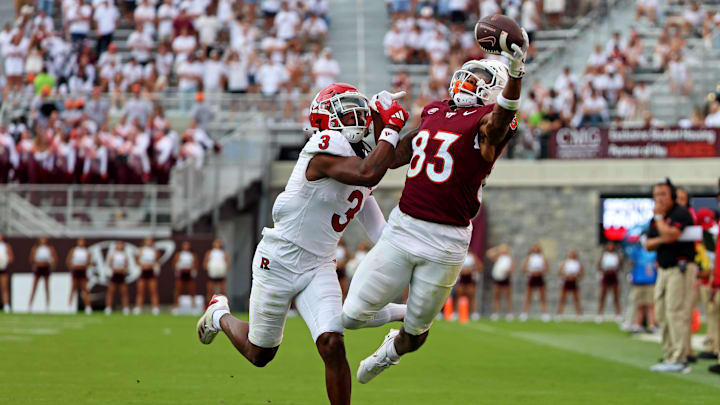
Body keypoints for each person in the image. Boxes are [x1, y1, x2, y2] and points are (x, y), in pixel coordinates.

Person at [195, 83, 410, 405]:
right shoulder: (324, 146)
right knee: (259, 353)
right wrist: (390, 127)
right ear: (324, 120)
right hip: (278, 260)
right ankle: (219, 315)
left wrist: (411, 261)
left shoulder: (363, 160)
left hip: (319, 265)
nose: (354, 117)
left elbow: (380, 229)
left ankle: (405, 314)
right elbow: (369, 171)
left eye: (358, 111)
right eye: (345, 112)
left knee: (331, 343)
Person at [341, 29, 529, 384]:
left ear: (495, 90)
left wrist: (516, 70)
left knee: (414, 336)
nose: (468, 79)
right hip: (404, 227)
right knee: (349, 316)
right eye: (469, 72)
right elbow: (396, 157)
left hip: (446, 240)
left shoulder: (489, 122)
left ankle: (390, 352)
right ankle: (401, 315)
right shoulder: (434, 110)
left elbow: (501, 118)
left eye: (481, 77)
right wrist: (384, 120)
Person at [645, 179, 695, 373]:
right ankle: (668, 355)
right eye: (656, 195)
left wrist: (660, 223)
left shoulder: (679, 213)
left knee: (676, 312)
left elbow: (671, 236)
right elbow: (649, 244)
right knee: (662, 313)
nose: (659, 198)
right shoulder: (657, 217)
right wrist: (661, 234)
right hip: (663, 270)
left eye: (663, 194)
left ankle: (680, 357)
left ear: (672, 196)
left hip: (680, 268)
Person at [520, 243, 549, 321]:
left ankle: (544, 313)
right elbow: (523, 268)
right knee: (528, 296)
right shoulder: (529, 257)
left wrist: (540, 272)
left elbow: (547, 269)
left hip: (540, 277)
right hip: (532, 277)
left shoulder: (542, 258)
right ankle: (525, 313)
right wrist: (531, 271)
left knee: (542, 296)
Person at [28, 237, 57, 311]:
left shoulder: (50, 248)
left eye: (44, 239)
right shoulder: (35, 248)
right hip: (38, 268)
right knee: (34, 287)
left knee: (47, 287)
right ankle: (30, 305)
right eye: (42, 239)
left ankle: (47, 305)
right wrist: (36, 263)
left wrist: (51, 263)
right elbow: (31, 259)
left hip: (46, 268)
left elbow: (54, 259)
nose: (43, 240)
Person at [487, 244, 514, 321]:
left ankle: (509, 313)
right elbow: (489, 253)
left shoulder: (509, 258)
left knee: (508, 297)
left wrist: (508, 272)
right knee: (496, 296)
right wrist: (498, 249)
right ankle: (496, 313)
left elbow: (512, 269)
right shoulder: (498, 257)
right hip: (497, 279)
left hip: (506, 278)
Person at [597, 241, 623, 321]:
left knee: (616, 296)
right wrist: (604, 271)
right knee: (602, 295)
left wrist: (615, 270)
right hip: (606, 275)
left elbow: (620, 266)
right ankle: (600, 314)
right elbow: (599, 266)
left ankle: (618, 313)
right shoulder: (604, 255)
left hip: (614, 276)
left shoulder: (616, 256)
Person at [455, 250, 483, 320]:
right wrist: (462, 271)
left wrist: (471, 270)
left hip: (470, 278)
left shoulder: (473, 257)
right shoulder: (460, 256)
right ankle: (456, 312)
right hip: (461, 278)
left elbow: (480, 267)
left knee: (471, 296)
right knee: (459, 295)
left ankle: (473, 313)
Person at [66, 238, 92, 314]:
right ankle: (70, 306)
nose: (81, 242)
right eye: (80, 241)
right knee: (73, 288)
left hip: (83, 271)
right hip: (75, 271)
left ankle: (88, 307)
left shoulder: (87, 251)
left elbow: (89, 262)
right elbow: (68, 261)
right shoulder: (74, 250)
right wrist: (74, 266)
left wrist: (84, 266)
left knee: (85, 289)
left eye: (83, 241)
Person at [135, 237, 160, 315]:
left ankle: (155, 308)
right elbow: (137, 261)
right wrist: (143, 265)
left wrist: (151, 265)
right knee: (140, 291)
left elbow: (157, 261)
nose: (148, 242)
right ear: (144, 242)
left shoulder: (155, 251)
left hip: (151, 272)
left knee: (153, 291)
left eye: (150, 240)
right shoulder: (141, 250)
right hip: (143, 272)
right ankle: (138, 308)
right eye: (147, 240)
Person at [173, 241, 198, 315]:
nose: (186, 246)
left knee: (192, 291)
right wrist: (177, 270)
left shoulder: (193, 255)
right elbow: (174, 263)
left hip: (189, 273)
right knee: (178, 291)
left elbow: (195, 264)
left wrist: (194, 271)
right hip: (181, 273)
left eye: (187, 245)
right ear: (182, 246)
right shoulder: (179, 254)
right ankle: (176, 308)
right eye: (185, 245)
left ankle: (193, 308)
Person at [106, 241, 130, 315]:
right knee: (110, 292)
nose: (120, 246)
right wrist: (114, 269)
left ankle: (125, 308)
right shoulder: (113, 254)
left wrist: (123, 270)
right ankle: (108, 308)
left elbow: (127, 265)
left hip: (122, 275)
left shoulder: (125, 255)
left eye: (121, 245)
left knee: (124, 293)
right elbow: (110, 264)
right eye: (119, 245)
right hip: (114, 275)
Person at [557, 250, 584, 318]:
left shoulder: (578, 263)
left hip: (574, 281)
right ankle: (559, 313)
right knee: (563, 298)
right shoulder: (565, 263)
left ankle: (579, 314)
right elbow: (560, 272)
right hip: (566, 281)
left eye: (573, 253)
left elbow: (581, 273)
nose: (572, 255)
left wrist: (575, 276)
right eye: (570, 253)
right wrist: (566, 276)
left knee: (576, 299)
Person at [204, 239, 230, 303]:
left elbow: (228, 263)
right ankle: (209, 306)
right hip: (212, 274)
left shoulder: (223, 253)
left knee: (223, 291)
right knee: (210, 291)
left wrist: (224, 268)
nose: (217, 244)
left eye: (219, 243)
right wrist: (210, 268)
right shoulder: (209, 252)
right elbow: (205, 263)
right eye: (216, 243)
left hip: (221, 274)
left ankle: (224, 305)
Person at [0, 234, 14, 313]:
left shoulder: (6, 246)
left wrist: (4, 262)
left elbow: (11, 258)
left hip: (3, 269)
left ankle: (6, 305)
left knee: (4, 288)